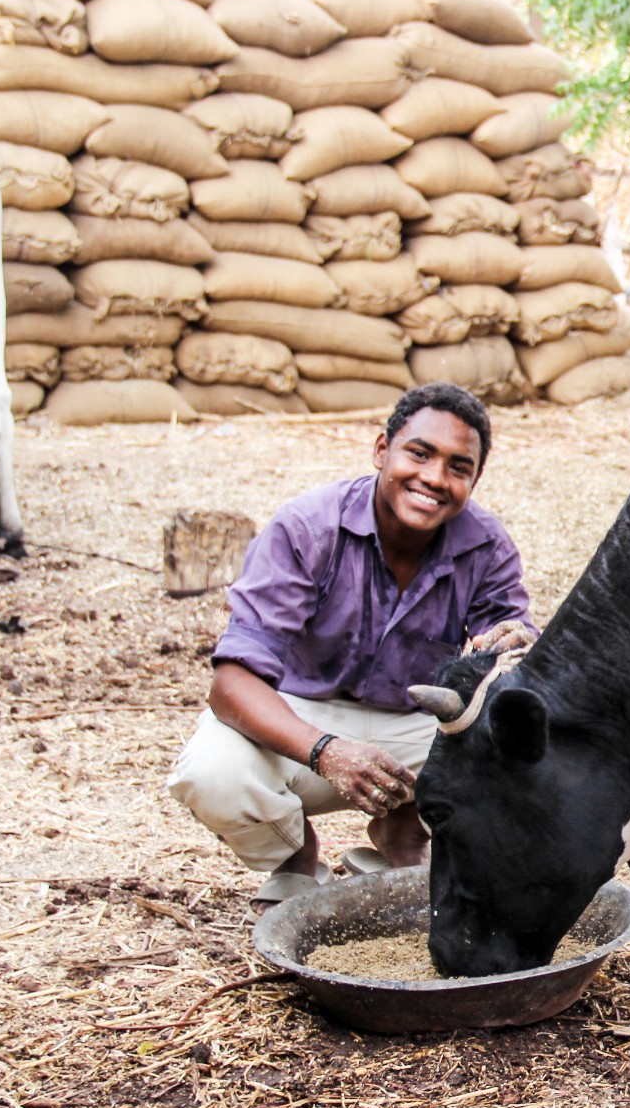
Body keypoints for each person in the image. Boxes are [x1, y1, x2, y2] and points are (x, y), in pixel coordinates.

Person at [168, 383, 536, 911]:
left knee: (531, 752)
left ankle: (404, 834)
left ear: (474, 481)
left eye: (458, 467)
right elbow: (230, 684)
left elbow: (509, 640)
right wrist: (327, 751)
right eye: (419, 453)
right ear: (381, 449)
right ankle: (294, 856)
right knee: (211, 774)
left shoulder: (486, 545)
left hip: (414, 727)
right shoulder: (308, 528)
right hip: (302, 717)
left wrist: (518, 641)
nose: (434, 478)